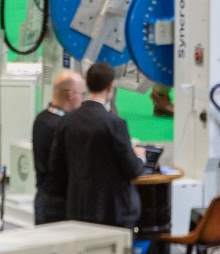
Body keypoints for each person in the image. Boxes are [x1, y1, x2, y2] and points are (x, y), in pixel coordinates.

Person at [48, 61, 145, 228]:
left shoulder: (66, 121)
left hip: (78, 209)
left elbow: (56, 166)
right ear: (110, 87)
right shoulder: (115, 124)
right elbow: (133, 170)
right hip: (113, 212)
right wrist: (140, 157)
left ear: (87, 84)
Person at [32, 70, 85, 225]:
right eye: (82, 94)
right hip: (60, 203)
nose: (83, 100)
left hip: (43, 196)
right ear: (70, 94)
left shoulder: (41, 118)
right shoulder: (64, 127)